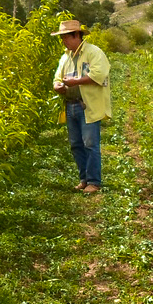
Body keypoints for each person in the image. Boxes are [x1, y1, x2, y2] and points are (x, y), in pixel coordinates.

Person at [51, 19, 112, 193]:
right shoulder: (65, 57)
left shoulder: (94, 53)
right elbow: (57, 79)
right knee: (76, 144)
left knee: (90, 143)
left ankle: (94, 181)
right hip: (70, 105)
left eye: (65, 37)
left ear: (77, 35)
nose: (63, 41)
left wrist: (75, 81)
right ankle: (84, 179)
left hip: (88, 105)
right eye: (61, 38)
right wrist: (58, 87)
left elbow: (99, 75)